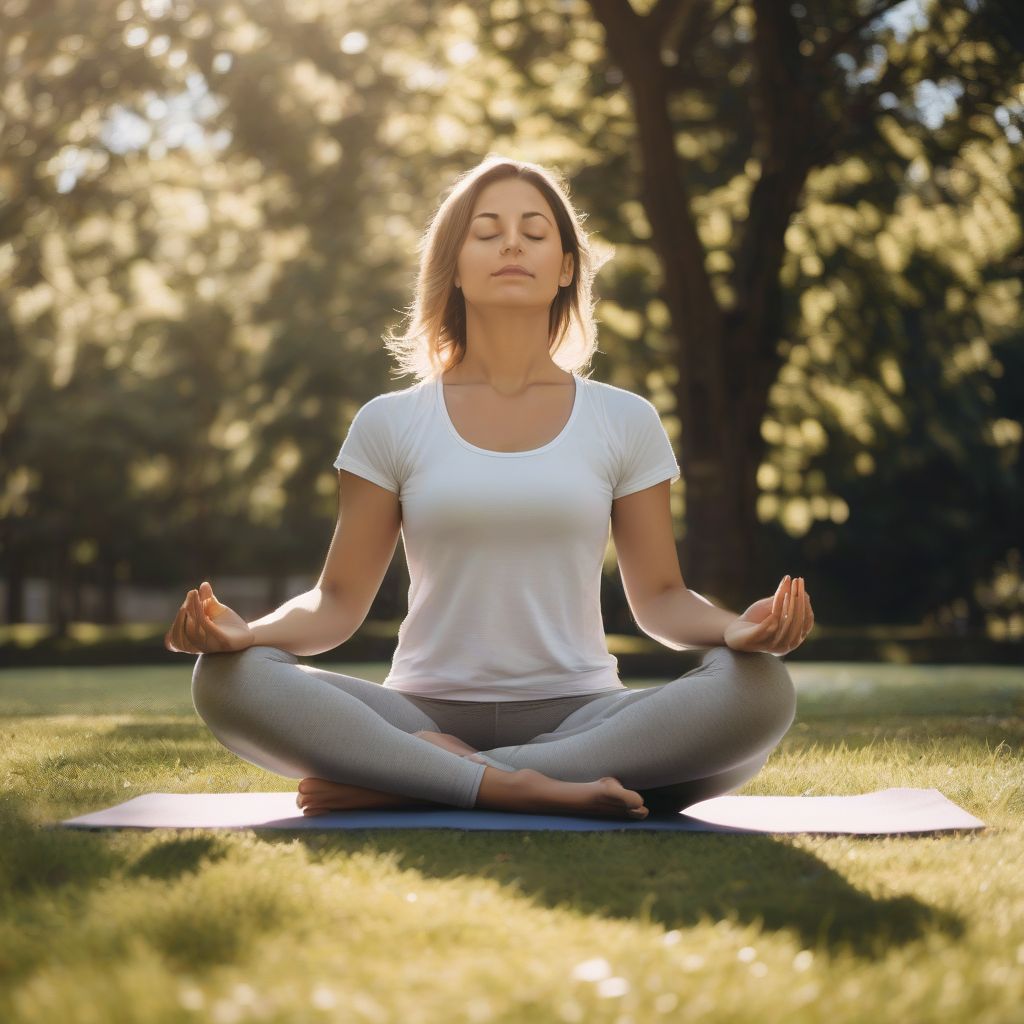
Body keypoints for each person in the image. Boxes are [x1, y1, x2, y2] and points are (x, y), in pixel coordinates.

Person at [165, 155, 814, 821]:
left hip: (584, 715)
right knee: (226, 680)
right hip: (416, 711)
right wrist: (249, 637)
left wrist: (738, 630)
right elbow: (335, 602)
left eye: (534, 233)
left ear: (565, 268)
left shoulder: (626, 420)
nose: (511, 244)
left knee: (759, 691)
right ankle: (512, 786)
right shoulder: (390, 422)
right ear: (454, 264)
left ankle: (409, 781)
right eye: (488, 232)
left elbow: (661, 598)